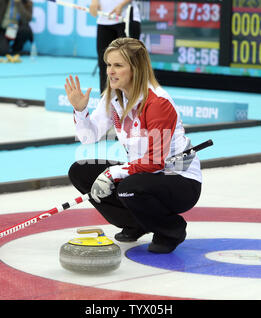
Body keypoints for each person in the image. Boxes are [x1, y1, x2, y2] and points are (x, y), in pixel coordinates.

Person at [65, 38, 202, 254]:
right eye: (108, 65)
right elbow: (88, 137)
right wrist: (80, 110)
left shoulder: (157, 103)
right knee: (81, 172)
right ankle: (137, 222)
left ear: (136, 69)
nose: (110, 71)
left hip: (179, 179)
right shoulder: (113, 97)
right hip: (146, 171)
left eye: (118, 65)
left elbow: (155, 161)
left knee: (130, 188)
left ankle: (170, 230)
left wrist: (113, 173)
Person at [89, 0, 141, 93]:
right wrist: (94, 2)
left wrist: (121, 4)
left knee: (128, 63)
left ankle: (131, 101)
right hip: (104, 20)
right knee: (104, 64)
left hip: (126, 18)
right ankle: (106, 103)